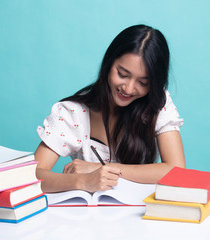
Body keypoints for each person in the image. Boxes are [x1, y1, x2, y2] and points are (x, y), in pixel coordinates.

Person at [35, 24, 185, 193]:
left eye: (143, 83)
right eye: (122, 74)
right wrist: (82, 181)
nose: (128, 89)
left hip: (141, 215)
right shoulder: (74, 113)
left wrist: (100, 168)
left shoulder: (157, 104)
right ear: (109, 63)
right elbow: (32, 176)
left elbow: (177, 170)